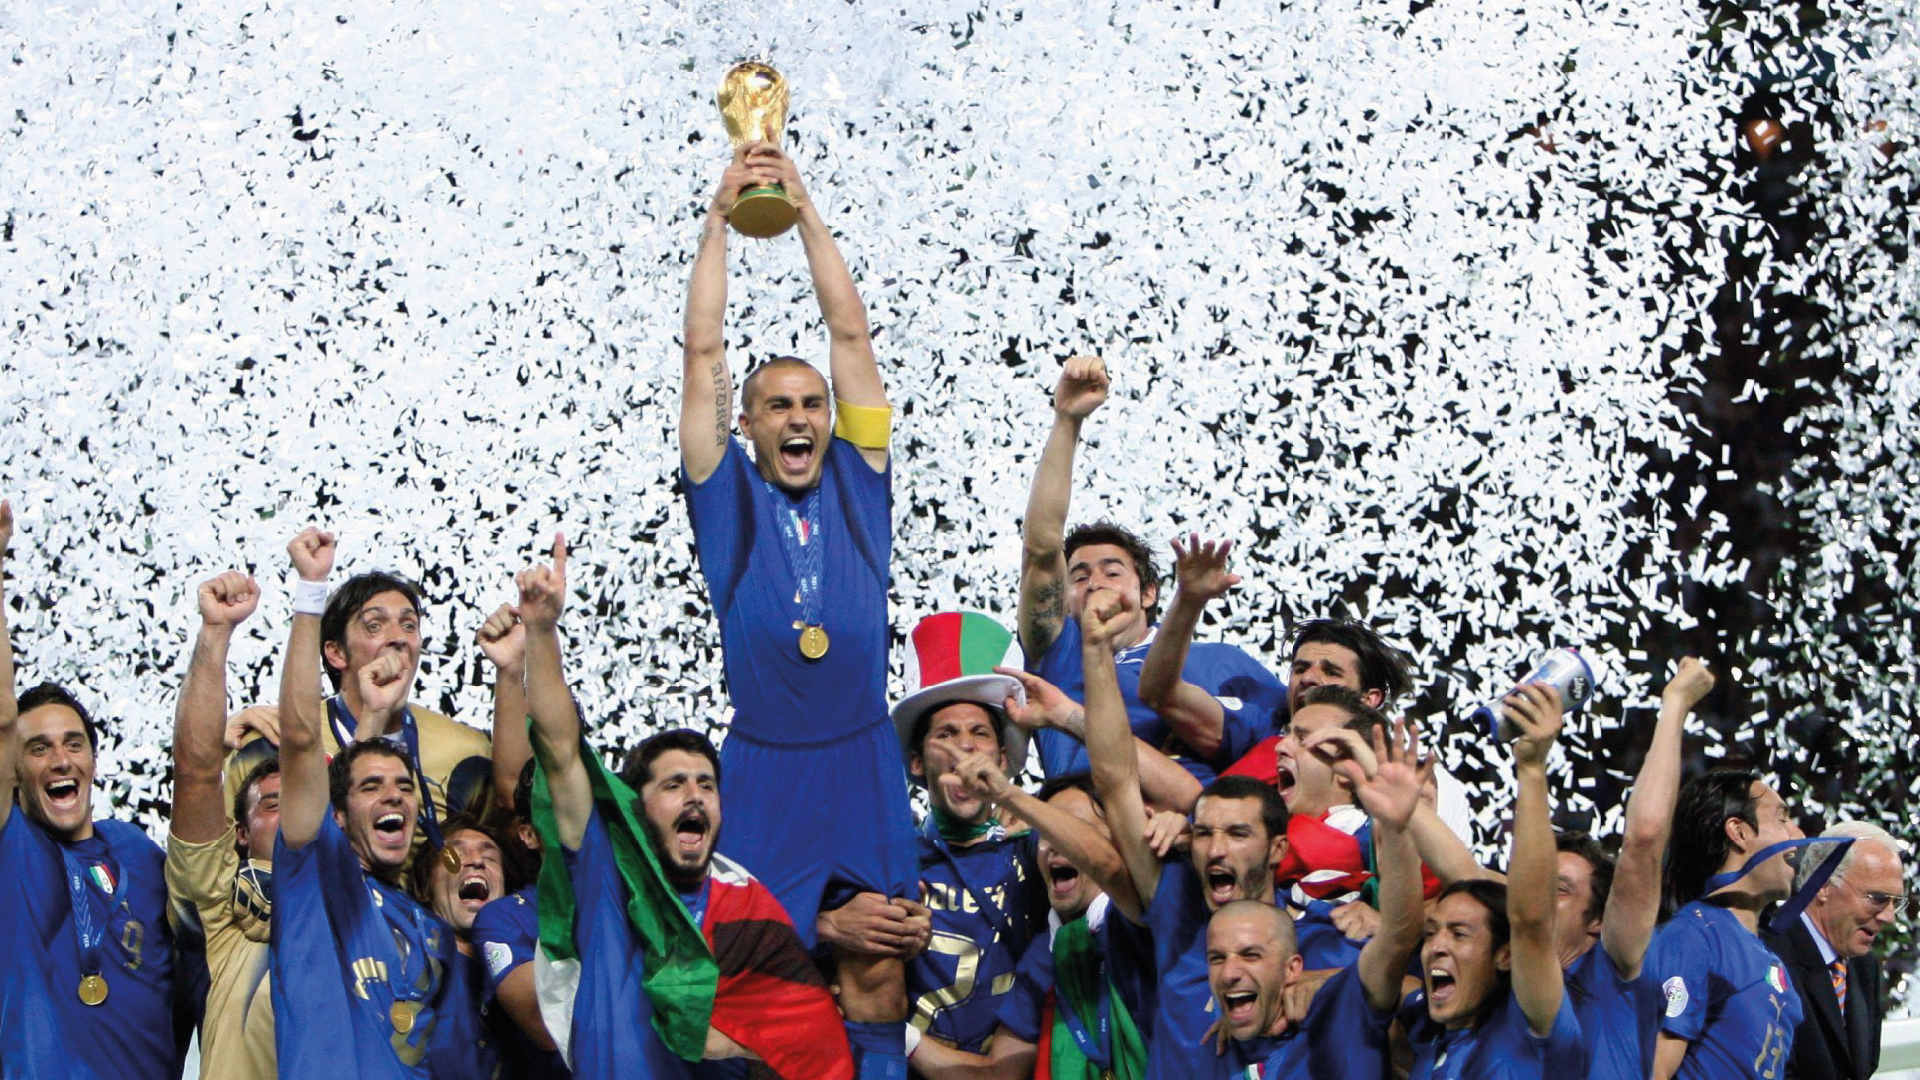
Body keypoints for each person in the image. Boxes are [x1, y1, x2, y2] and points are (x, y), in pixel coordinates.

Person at [678, 138, 918, 1080]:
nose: (799, 418)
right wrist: (719, 218)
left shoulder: (861, 481)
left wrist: (805, 207)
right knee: (756, 983)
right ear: (747, 426)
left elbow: (850, 337)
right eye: (777, 406)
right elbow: (703, 352)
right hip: (765, 765)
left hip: (862, 754)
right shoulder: (726, 500)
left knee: (881, 965)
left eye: (812, 404)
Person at [515, 536, 852, 1080]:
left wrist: (732, 1039)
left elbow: (810, 1040)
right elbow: (559, 749)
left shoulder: (746, 907)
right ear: (637, 807)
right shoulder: (607, 876)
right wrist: (540, 630)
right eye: (673, 784)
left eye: (706, 785)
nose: (695, 795)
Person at [1017, 363, 1282, 781]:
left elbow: (1292, 733)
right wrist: (1067, 420)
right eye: (1079, 577)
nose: (1094, 584)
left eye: (1112, 572)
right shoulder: (1060, 654)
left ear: (1148, 594)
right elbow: (1041, 548)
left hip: (1193, 818)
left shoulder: (1221, 662)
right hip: (1080, 813)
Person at [269, 525, 462, 1080]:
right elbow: (301, 739)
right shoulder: (310, 880)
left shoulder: (432, 932)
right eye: (371, 788)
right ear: (335, 814)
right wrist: (311, 590)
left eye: (404, 786)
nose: (393, 795)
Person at [0, 500, 183, 1080]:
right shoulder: (15, 851)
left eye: (73, 744)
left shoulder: (136, 851)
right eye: (38, 748)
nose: (61, 759)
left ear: (95, 762)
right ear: (13, 774)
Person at [1079, 585, 1290, 1080]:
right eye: (1204, 832)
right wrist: (1096, 650)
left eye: (1237, 833)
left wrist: (1320, 983)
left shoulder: (1318, 935)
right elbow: (1116, 778)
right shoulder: (1177, 904)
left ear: (1277, 848)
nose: (1216, 849)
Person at [224, 548, 492, 867]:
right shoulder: (269, 743)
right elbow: (216, 866)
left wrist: (511, 672)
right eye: (375, 626)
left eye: (409, 625)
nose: (399, 638)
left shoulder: (467, 750)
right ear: (336, 653)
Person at [1208, 715, 1427, 1080]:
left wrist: (1396, 826)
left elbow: (1398, 939)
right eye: (1217, 959)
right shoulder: (1217, 1048)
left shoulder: (1338, 978)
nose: (1230, 973)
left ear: (1293, 969)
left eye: (1251, 955)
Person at [908, 772, 1156, 1080]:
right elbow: (999, 1074)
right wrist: (893, 1032)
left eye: (1076, 831)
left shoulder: (1147, 921)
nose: (1058, 843)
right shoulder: (1044, 955)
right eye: (1047, 831)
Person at [1403, 682, 1586, 1079]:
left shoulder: (1531, 1031)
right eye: (1432, 933)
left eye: (1459, 934)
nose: (1436, 947)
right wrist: (1399, 814)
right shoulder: (1431, 1042)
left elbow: (1530, 919)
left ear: (1505, 955)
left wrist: (1532, 770)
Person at [1553, 658, 1714, 1080]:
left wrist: (1675, 704)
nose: (1538, 898)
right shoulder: (1501, 970)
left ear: (1597, 922)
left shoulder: (1609, 971)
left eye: (1561, 890)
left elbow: (1644, 840)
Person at [166, 568, 280, 1079]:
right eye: (273, 804)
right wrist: (216, 633)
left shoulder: (364, 911)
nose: (295, 816)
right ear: (241, 833)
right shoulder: (221, 909)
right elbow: (194, 772)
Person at [1650, 768, 1807, 1080]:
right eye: (1782, 819)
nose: (1799, 836)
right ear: (1739, 832)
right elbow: (1654, 1069)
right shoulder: (1693, 936)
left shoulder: (1765, 955)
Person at [1762, 822, 1908, 1080]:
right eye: (1878, 898)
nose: (1889, 917)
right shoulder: (1767, 956)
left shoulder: (1864, 966)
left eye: (1895, 903)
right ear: (1823, 886)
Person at [472, 759, 571, 1078]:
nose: (579, 817)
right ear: (529, 834)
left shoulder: (639, 901)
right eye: (559, 806)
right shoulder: (505, 918)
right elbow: (547, 1025)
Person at [408, 817, 513, 1080]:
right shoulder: (407, 963)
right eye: (456, 855)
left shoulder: (521, 981)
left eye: (489, 858)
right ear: (424, 887)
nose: (476, 861)